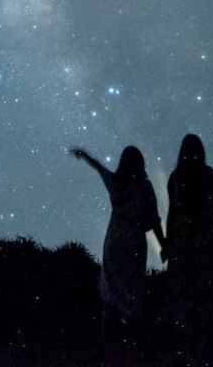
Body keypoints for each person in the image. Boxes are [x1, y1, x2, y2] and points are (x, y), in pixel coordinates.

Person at [70, 145, 166, 340]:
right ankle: (130, 342)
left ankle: (109, 341)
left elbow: (100, 168)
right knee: (132, 290)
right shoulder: (144, 187)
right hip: (134, 241)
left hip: (114, 239)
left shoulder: (116, 183)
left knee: (112, 291)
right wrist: (164, 244)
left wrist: (85, 155)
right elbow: (154, 220)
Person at [164, 134, 213, 342]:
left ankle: (189, 334)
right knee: (209, 282)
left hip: (184, 233)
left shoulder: (175, 177)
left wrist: (168, 243)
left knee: (187, 284)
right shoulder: (208, 174)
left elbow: (171, 213)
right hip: (205, 231)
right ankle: (210, 333)